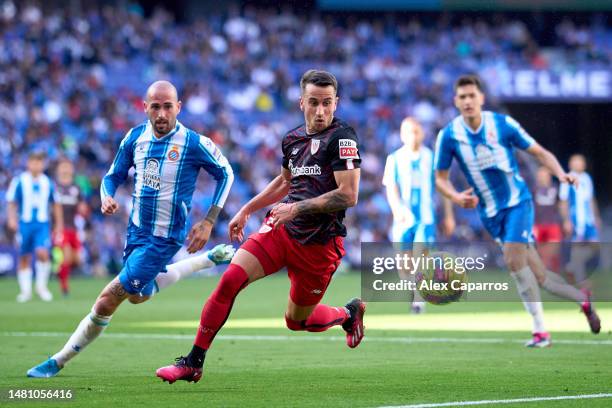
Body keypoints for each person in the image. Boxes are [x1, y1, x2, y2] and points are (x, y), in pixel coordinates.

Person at [156, 70, 364, 384]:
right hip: (280, 230)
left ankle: (348, 314)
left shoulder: (342, 138)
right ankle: (193, 362)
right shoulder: (293, 139)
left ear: (336, 104)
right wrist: (247, 209)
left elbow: (348, 194)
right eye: (313, 103)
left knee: (297, 321)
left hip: (319, 243)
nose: (320, 111)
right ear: (301, 103)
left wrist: (295, 208)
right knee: (230, 281)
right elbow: (284, 181)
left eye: (327, 103)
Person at [26, 80, 235, 378]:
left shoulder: (193, 143)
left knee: (107, 299)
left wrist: (209, 220)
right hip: (135, 232)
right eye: (155, 107)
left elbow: (225, 173)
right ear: (145, 107)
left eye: (167, 107)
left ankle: (57, 361)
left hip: (164, 238)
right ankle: (207, 260)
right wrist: (106, 196)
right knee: (138, 295)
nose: (161, 113)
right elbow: (112, 176)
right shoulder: (135, 136)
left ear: (178, 107)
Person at [434, 75, 600, 348]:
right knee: (542, 277)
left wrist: (560, 173)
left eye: (471, 96)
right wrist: (454, 196)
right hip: (490, 214)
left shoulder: (502, 124)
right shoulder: (449, 135)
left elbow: (539, 152)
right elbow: (440, 178)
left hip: (517, 203)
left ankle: (540, 332)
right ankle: (582, 298)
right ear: (455, 101)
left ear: (481, 98)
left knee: (513, 262)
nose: (467, 101)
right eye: (462, 97)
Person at [382, 117, 453, 314]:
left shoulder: (432, 157)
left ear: (422, 133)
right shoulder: (394, 158)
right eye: (409, 132)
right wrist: (397, 208)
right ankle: (414, 291)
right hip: (403, 219)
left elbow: (442, 188)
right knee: (404, 264)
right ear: (402, 135)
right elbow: (391, 188)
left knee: (421, 258)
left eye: (417, 131)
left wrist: (448, 215)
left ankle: (419, 299)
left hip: (425, 218)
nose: (414, 136)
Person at [7, 151, 63, 303]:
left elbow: (56, 203)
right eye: (33, 162)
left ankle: (41, 287)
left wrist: (58, 224)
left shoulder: (48, 182)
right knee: (24, 256)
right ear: (28, 163)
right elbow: (12, 201)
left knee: (42, 253)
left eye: (39, 162)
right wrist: (12, 219)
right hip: (24, 224)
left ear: (43, 164)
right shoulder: (19, 181)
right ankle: (25, 292)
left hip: (42, 224)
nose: (36, 165)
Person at [559, 154, 601, 287]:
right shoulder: (567, 179)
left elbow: (590, 199)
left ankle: (572, 266)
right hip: (576, 220)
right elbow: (563, 201)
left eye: (581, 162)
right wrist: (566, 220)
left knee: (595, 246)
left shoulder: (587, 178)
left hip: (588, 220)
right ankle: (581, 279)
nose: (579, 164)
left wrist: (596, 217)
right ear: (571, 164)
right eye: (576, 162)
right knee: (577, 248)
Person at [53, 158, 89, 296]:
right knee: (66, 256)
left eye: (68, 167)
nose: (65, 169)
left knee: (77, 260)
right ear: (58, 170)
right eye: (63, 167)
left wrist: (83, 209)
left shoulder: (76, 188)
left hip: (73, 227)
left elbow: (82, 207)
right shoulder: (54, 187)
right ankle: (64, 288)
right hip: (60, 227)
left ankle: (58, 269)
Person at [532, 167, 563, 272]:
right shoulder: (534, 189)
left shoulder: (556, 188)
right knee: (540, 251)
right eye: (540, 175)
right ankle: (543, 273)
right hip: (538, 224)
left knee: (553, 250)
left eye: (544, 175)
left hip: (553, 223)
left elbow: (561, 204)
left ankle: (554, 272)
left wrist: (565, 220)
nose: (542, 178)